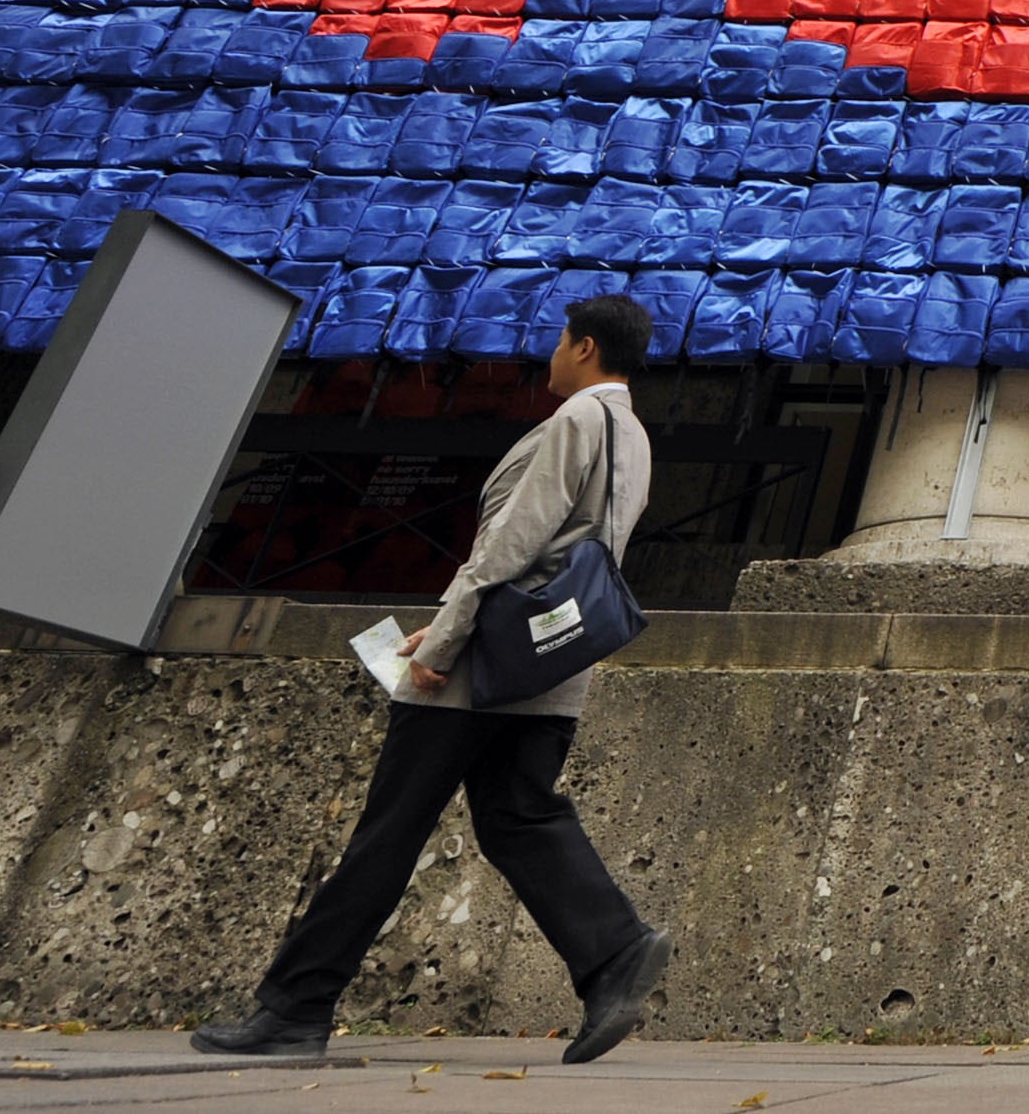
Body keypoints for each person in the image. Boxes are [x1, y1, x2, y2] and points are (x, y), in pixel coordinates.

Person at [194, 294, 675, 1064]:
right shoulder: (633, 436)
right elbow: (569, 557)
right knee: (519, 816)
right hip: (547, 670)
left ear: (584, 347)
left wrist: (443, 641)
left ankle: (296, 1006)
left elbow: (510, 547)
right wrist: (447, 622)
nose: (550, 354)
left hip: (477, 670)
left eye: (557, 340)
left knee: (388, 832)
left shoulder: (577, 421)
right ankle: (615, 953)